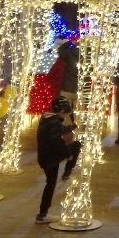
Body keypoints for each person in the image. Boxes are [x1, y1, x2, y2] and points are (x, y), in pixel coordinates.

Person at [35, 95, 81, 224]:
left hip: (45, 157)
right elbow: (56, 141)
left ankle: (42, 214)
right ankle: (68, 172)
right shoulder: (55, 123)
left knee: (50, 184)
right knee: (76, 146)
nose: (66, 116)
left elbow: (58, 130)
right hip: (50, 157)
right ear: (61, 112)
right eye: (66, 114)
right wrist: (68, 154)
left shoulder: (47, 119)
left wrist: (72, 127)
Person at [58, 38, 80, 126]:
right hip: (79, 88)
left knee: (65, 111)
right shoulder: (88, 56)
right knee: (78, 112)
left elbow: (60, 50)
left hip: (67, 87)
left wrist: (71, 42)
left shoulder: (70, 53)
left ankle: (67, 128)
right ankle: (78, 128)